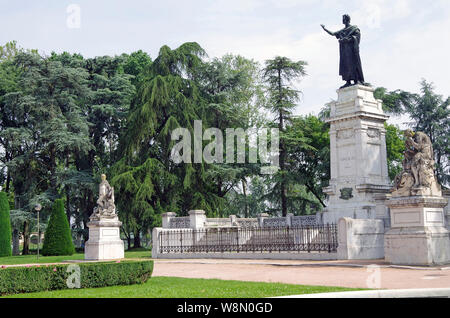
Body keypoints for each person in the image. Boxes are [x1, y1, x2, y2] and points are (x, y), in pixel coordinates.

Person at [321, 14, 365, 88]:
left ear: (347, 20)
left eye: (343, 19)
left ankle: (356, 80)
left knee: (353, 64)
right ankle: (348, 81)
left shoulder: (354, 28)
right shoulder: (342, 31)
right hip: (344, 52)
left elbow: (357, 36)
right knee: (345, 65)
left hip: (352, 51)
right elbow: (333, 33)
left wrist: (348, 39)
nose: (342, 20)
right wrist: (324, 29)